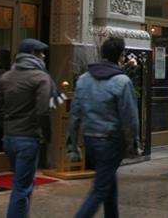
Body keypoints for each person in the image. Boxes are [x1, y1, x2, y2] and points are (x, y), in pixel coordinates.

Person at [0, 38, 65, 218]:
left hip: (9, 138)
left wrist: (8, 126)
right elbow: (43, 111)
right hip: (28, 138)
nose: (44, 56)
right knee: (22, 187)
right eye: (41, 53)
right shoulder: (41, 77)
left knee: (20, 182)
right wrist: (47, 136)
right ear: (33, 54)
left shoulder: (7, 76)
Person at [70, 37, 139, 218]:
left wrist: (73, 144)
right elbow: (130, 118)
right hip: (111, 141)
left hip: (90, 139)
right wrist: (133, 143)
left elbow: (75, 114)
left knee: (108, 181)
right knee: (100, 189)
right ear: (121, 56)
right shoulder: (122, 81)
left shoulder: (84, 79)